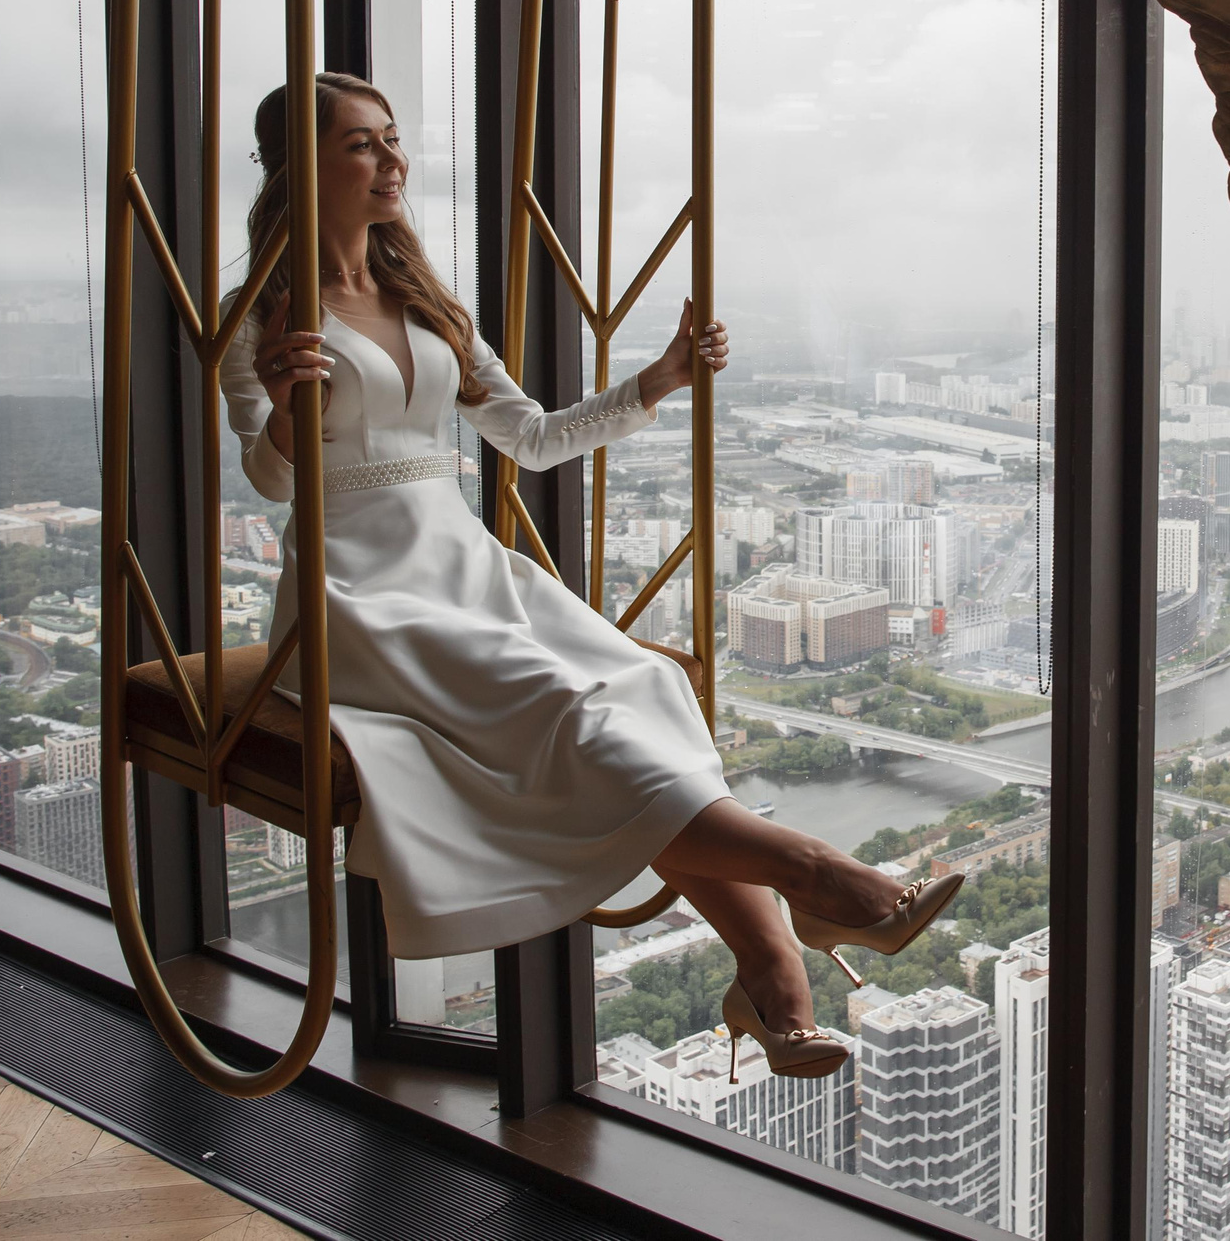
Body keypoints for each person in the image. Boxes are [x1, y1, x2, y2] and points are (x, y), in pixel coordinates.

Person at [221, 73, 958, 1081]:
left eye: (393, 140)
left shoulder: (426, 304)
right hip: (354, 595)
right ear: (303, 168)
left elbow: (531, 438)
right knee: (567, 705)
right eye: (362, 145)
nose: (392, 162)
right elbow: (267, 478)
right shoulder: (256, 314)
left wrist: (657, 380)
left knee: (643, 687)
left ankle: (772, 969)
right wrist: (282, 407)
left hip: (465, 569)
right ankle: (814, 887)